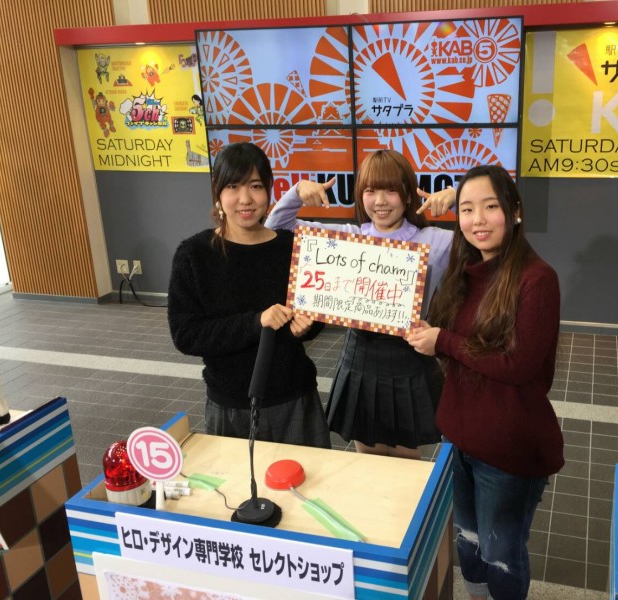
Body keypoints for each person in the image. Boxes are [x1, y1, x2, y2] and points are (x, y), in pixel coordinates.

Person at [406, 165, 564, 600]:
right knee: (468, 539)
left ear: (514, 211)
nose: (478, 220)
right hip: (459, 437)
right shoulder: (464, 271)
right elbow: (448, 338)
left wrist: (444, 341)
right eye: (467, 209)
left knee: (501, 553)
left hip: (508, 447)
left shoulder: (537, 279)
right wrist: (426, 334)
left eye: (490, 207)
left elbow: (519, 365)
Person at [265, 149, 456, 459]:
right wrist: (297, 191)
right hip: (360, 357)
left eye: (390, 190)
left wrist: (459, 197)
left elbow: (491, 237)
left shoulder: (434, 240)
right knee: (365, 458)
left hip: (410, 355)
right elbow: (277, 227)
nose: (380, 201)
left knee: (407, 462)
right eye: (370, 191)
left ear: (408, 195)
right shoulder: (348, 238)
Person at [168, 142, 330, 448]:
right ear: (218, 191)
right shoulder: (194, 254)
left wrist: (307, 326)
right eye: (233, 186)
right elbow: (185, 334)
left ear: (269, 189)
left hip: (295, 397)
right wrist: (256, 323)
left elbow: (314, 318)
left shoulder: (292, 247)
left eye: (255, 186)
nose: (245, 198)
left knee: (306, 477)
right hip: (230, 404)